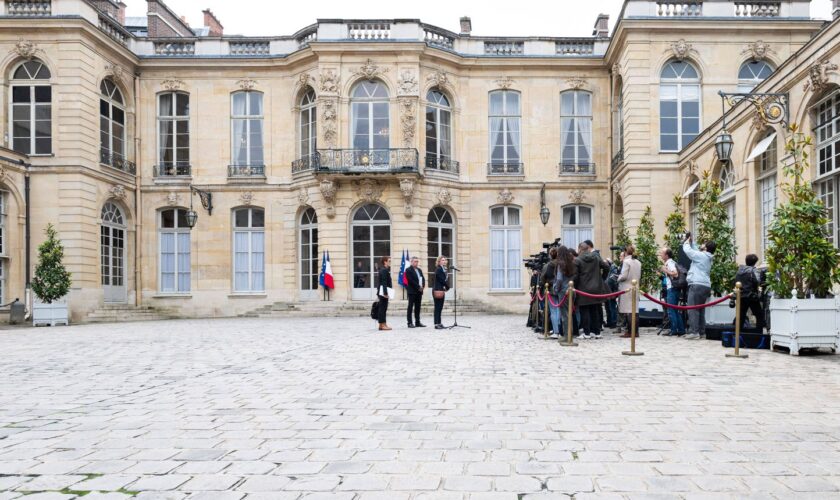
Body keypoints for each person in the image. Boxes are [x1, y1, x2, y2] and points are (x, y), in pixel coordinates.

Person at [574, 240, 611, 339]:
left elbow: (575, 276)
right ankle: (597, 332)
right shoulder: (596, 257)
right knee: (595, 311)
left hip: (583, 289)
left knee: (584, 311)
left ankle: (587, 333)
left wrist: (574, 286)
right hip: (596, 288)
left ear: (580, 249)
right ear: (588, 249)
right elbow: (607, 267)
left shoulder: (577, 260)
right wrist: (602, 279)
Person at [683, 234, 715, 340]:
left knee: (692, 309)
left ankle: (694, 332)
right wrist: (692, 241)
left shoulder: (701, 256)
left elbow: (688, 251)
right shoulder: (706, 256)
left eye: (704, 244)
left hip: (697, 284)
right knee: (701, 310)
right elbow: (696, 250)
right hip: (705, 285)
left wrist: (687, 242)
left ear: (705, 248)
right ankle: (701, 332)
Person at [735, 253, 765, 330]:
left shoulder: (739, 270)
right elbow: (757, 281)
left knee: (741, 316)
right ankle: (759, 334)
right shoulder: (753, 270)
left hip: (741, 295)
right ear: (754, 262)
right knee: (759, 315)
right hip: (751, 296)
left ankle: (739, 334)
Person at [659, 247, 685, 336]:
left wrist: (665, 270)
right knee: (675, 310)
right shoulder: (672, 262)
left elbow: (675, 273)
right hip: (675, 288)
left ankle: (674, 330)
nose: (660, 254)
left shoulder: (669, 263)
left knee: (671, 310)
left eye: (662, 253)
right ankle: (680, 330)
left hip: (672, 288)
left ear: (666, 255)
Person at [617, 245, 642, 338]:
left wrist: (617, 278)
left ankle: (630, 331)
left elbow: (623, 276)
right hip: (635, 286)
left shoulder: (626, 262)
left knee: (628, 311)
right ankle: (636, 331)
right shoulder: (638, 262)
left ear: (625, 252)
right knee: (635, 311)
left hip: (626, 287)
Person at [539, 247, 559, 337]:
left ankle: (556, 331)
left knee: (554, 311)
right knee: (560, 310)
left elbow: (543, 278)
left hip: (551, 289)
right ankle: (560, 329)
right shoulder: (563, 263)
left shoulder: (548, 265)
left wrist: (545, 284)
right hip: (562, 289)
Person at [405, 256, 427, 328]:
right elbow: (411, 281)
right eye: (415, 261)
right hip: (412, 291)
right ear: (411, 262)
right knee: (410, 307)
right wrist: (418, 287)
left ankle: (417, 322)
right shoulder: (408, 270)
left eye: (417, 261)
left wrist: (423, 286)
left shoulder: (419, 270)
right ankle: (409, 323)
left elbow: (423, 279)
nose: (416, 263)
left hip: (419, 292)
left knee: (418, 307)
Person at [377, 256, 393, 331]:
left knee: (383, 308)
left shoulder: (385, 270)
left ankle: (382, 324)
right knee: (382, 309)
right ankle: (382, 325)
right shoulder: (384, 270)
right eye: (389, 261)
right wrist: (385, 293)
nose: (390, 262)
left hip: (383, 292)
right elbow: (383, 282)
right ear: (385, 262)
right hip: (383, 293)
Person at [433, 256, 450, 329]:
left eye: (445, 260)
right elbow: (442, 280)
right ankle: (436, 324)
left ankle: (439, 322)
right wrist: (447, 287)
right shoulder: (439, 269)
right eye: (442, 260)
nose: (444, 261)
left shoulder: (444, 269)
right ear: (439, 261)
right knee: (437, 307)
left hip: (441, 289)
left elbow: (444, 280)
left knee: (440, 307)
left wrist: (445, 287)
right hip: (437, 290)